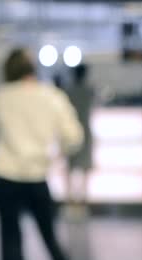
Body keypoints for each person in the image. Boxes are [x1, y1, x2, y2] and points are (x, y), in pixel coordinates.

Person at [0, 48, 84, 260]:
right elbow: (73, 136)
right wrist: (55, 155)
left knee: (11, 240)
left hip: (5, 176)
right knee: (50, 238)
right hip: (37, 177)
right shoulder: (51, 96)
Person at [66, 64, 94, 202]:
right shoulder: (90, 91)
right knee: (84, 168)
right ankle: (83, 198)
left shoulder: (68, 91)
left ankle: (71, 198)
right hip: (85, 131)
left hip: (71, 131)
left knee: (71, 167)